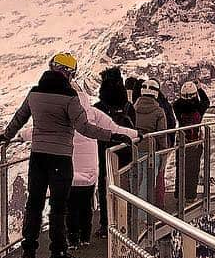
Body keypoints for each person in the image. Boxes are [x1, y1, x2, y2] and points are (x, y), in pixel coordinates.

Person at [0, 52, 137, 258]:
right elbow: (84, 128)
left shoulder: (34, 93)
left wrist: (6, 137)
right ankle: (57, 253)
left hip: (38, 157)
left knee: (34, 203)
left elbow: (20, 117)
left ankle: (28, 252)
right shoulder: (70, 97)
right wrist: (112, 136)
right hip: (61, 159)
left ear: (51, 67)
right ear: (69, 73)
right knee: (59, 206)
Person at [68, 77, 116, 248]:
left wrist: (21, 135)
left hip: (72, 170)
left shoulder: (64, 115)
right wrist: (132, 135)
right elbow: (112, 128)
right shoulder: (93, 113)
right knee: (86, 205)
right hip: (90, 171)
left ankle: (72, 238)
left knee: (71, 206)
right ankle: (85, 237)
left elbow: (41, 131)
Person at [94, 67, 134, 236]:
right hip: (125, 152)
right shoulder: (128, 106)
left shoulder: (98, 107)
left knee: (105, 186)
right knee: (125, 185)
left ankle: (106, 224)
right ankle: (125, 222)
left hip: (104, 151)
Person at [173, 79, 210, 203]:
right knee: (193, 170)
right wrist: (199, 88)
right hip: (195, 144)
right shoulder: (199, 107)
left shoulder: (177, 106)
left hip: (182, 142)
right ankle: (190, 196)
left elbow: (178, 102)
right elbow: (206, 102)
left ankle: (179, 195)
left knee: (180, 168)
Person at [133, 80, 167, 205]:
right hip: (151, 151)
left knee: (135, 180)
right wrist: (164, 152)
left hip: (135, 148)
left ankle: (134, 211)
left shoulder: (133, 108)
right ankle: (142, 216)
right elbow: (161, 135)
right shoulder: (159, 112)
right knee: (147, 181)